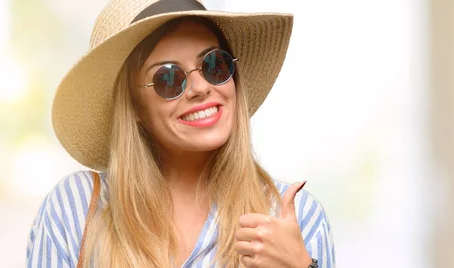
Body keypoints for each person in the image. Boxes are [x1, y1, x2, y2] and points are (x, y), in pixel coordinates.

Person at [26, 0, 335, 267]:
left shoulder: (295, 219)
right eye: (168, 78)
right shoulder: (77, 208)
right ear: (135, 106)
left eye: (214, 65)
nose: (201, 88)